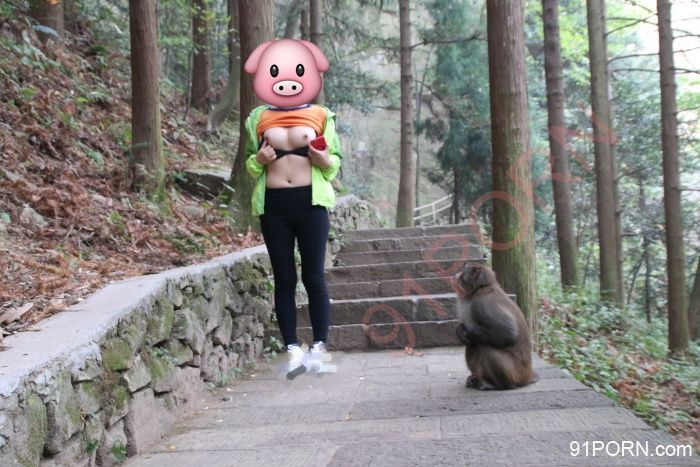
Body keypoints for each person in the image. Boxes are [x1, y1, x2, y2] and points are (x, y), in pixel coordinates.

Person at [242, 39, 341, 378]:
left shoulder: (322, 115)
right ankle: (292, 348)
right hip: (274, 206)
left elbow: (333, 163)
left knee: (314, 275)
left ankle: (319, 346)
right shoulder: (258, 117)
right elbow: (250, 166)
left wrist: (324, 159)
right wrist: (259, 159)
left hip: (311, 204)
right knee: (284, 277)